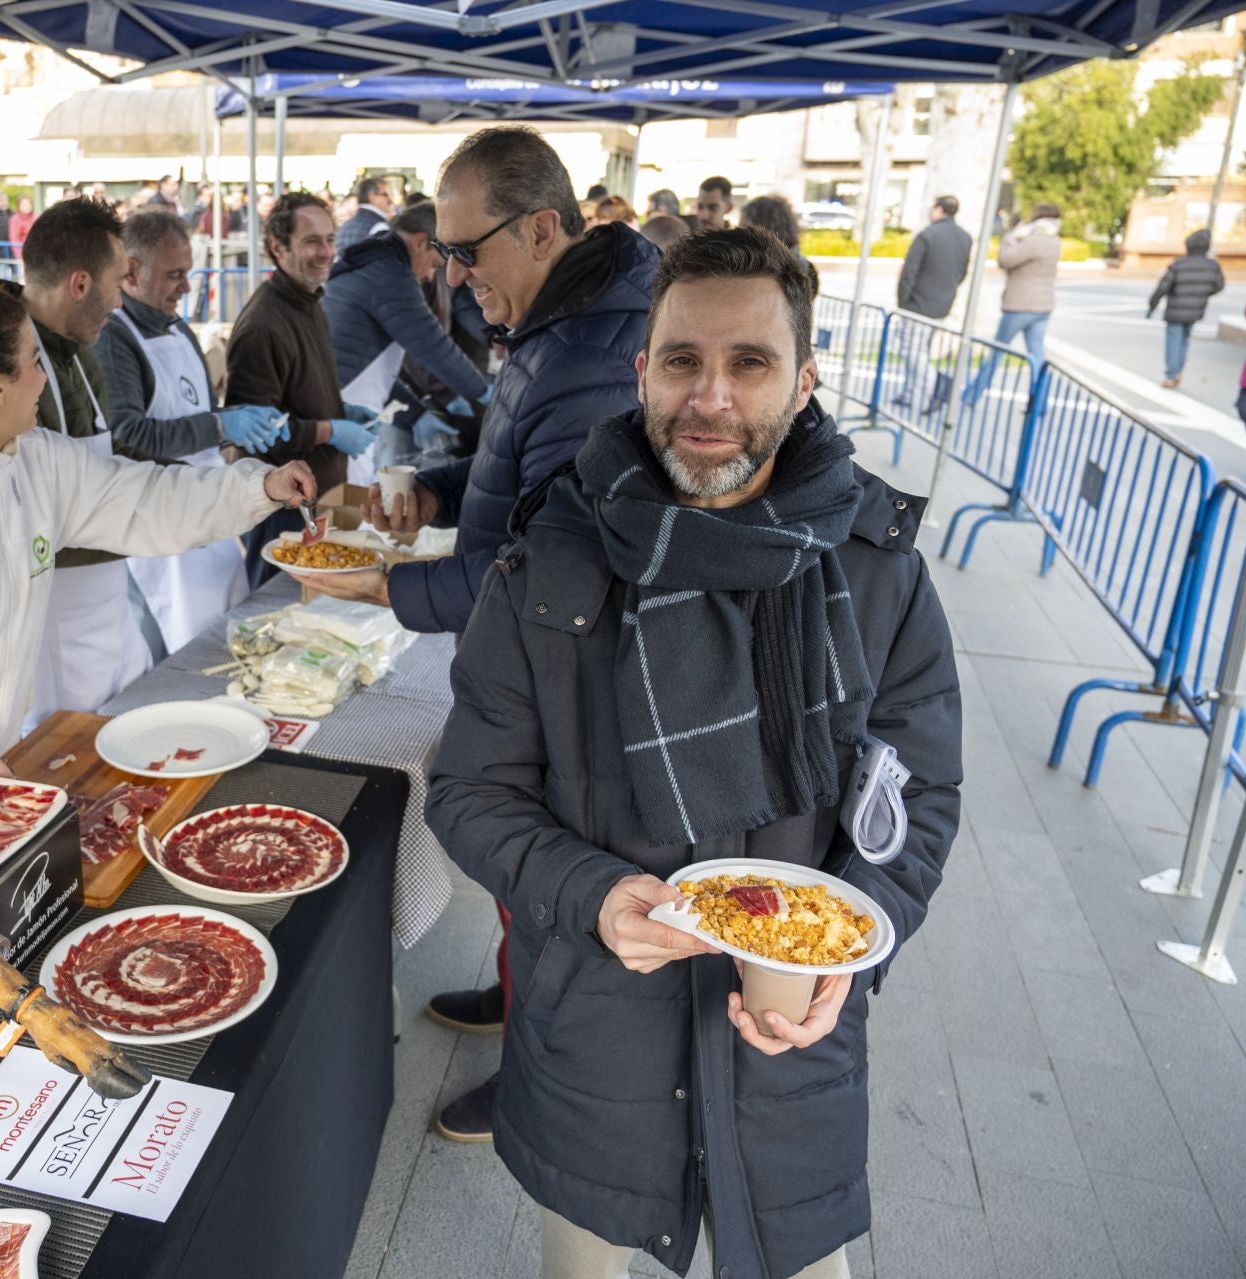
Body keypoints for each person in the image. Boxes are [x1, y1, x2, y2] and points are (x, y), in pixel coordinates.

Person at [427, 227, 961, 1279]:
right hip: (595, 1043)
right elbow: (470, 789)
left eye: (750, 363)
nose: (710, 397)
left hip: (789, 1057)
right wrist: (587, 891)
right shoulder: (550, 559)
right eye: (683, 361)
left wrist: (857, 943)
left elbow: (920, 798)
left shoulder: (879, 570)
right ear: (643, 371)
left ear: (804, 382)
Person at [290, 127, 656, 1143]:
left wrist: (390, 591)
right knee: (518, 882)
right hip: (527, 664)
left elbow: (541, 568)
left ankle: (540, 1078)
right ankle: (511, 998)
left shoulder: (591, 351)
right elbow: (513, 466)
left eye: (467, 249)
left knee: (549, 884)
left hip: (568, 676)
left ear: (542, 229)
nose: (452, 272)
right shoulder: (557, 324)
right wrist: (432, 492)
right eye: (442, 251)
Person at [0, 254, 315, 792]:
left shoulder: (38, 460)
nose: (43, 380)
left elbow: (144, 499)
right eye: (33, 361)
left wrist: (258, 487)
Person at [97, 210, 288, 650]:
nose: (186, 287)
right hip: (160, 531)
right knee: (184, 650)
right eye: (175, 275)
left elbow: (196, 410)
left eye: (188, 273)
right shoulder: (114, 337)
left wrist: (236, 424)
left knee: (229, 639)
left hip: (210, 512)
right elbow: (127, 434)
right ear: (131, 270)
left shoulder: (177, 326)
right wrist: (220, 424)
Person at [7, 197, 150, 723]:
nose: (120, 300)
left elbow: (109, 457)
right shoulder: (9, 362)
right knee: (63, 742)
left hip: (106, 589)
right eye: (118, 281)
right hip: (52, 601)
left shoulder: (80, 352)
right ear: (81, 284)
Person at [224, 191, 379, 587]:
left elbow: (299, 390)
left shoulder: (309, 302)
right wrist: (330, 430)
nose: (326, 252)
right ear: (277, 247)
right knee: (273, 615)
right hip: (281, 508)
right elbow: (256, 433)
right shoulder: (263, 325)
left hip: (316, 500)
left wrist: (342, 412)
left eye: (330, 239)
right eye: (312, 241)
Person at [322, 200, 489, 469]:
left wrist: (413, 414)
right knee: (343, 496)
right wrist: (484, 392)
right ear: (420, 242)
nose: (428, 276)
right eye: (434, 264)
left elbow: (378, 370)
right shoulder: (391, 274)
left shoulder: (376, 260)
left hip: (348, 401)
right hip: (341, 411)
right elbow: (431, 344)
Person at [963, 201, 1062, 404]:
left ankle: (972, 396)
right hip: (1043, 305)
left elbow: (1006, 260)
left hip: (1021, 303)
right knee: (1036, 354)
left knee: (997, 351)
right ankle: (1039, 403)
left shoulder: (1035, 239)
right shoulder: (1053, 239)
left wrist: (1009, 239)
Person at [891, 196, 972, 409]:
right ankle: (910, 394)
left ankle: (935, 386)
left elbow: (909, 272)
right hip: (942, 303)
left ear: (940, 209)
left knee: (912, 350)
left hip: (917, 304)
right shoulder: (965, 237)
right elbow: (963, 271)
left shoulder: (927, 235)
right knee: (920, 349)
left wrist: (902, 301)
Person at [1148, 228, 1226, 388]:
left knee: (1174, 340)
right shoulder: (1212, 266)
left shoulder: (1179, 264)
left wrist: (1152, 305)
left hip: (1176, 309)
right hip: (1195, 310)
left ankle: (1171, 374)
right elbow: (1219, 285)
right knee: (1184, 340)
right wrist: (1203, 293)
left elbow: (1162, 287)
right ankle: (1178, 371)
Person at [337, 175, 395, 251]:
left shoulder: (346, 225)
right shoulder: (379, 227)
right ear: (372, 197)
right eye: (385, 194)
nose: (390, 200)